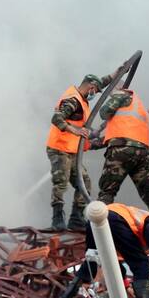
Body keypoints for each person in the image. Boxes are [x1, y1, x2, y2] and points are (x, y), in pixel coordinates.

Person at [53, 203, 149, 298]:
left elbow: (114, 261)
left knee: (92, 261)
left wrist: (125, 285)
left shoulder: (128, 228)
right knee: (141, 262)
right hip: (113, 219)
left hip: (94, 221)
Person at [45, 71, 115, 232]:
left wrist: (118, 72)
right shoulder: (73, 100)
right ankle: (57, 219)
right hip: (59, 148)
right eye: (95, 90)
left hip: (72, 151)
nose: (95, 94)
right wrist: (75, 130)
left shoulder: (82, 101)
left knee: (84, 182)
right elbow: (56, 118)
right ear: (90, 87)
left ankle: (76, 219)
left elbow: (101, 81)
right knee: (61, 182)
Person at [91, 88, 149, 219]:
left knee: (107, 191)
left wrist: (115, 95)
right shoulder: (136, 106)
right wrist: (90, 144)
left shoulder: (121, 95)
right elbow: (118, 135)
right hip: (141, 153)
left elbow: (104, 113)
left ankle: (100, 225)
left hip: (121, 151)